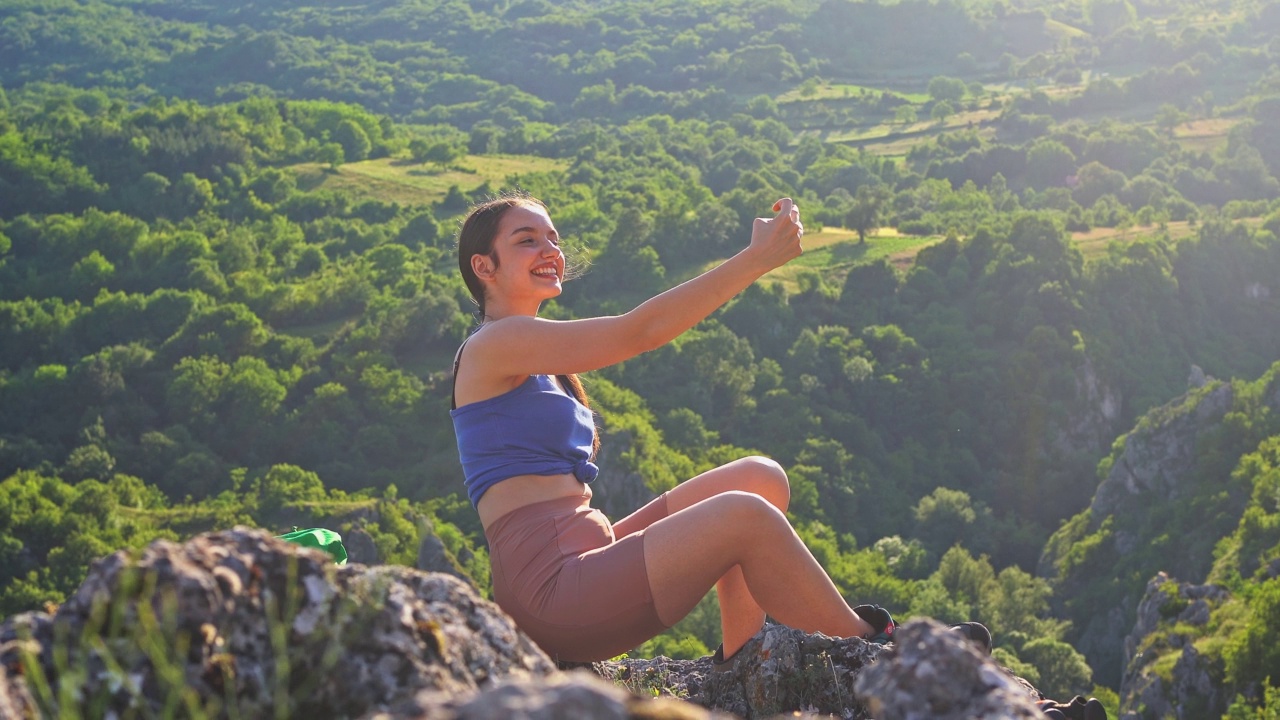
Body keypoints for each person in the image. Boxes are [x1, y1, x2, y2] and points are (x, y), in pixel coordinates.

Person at [449, 192, 893, 665]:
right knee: (745, 516)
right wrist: (755, 259)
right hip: (553, 595)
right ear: (484, 266)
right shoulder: (494, 344)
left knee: (759, 479)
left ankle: (742, 660)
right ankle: (877, 655)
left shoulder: (532, 351)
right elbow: (640, 332)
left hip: (587, 557)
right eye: (527, 240)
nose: (550, 250)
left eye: (553, 238)